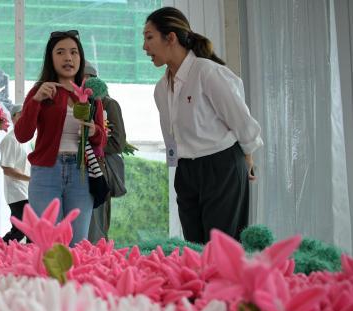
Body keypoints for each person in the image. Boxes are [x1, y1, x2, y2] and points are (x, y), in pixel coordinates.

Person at [143, 7, 262, 244]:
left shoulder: (207, 72)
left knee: (221, 248)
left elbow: (240, 119)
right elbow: (171, 135)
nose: (144, 47)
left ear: (171, 37)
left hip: (221, 166)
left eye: (149, 37)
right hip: (186, 171)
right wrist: (177, 167)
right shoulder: (161, 89)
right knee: (194, 248)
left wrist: (247, 156)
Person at [15, 30, 107, 246]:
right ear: (51, 58)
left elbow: (102, 141)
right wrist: (36, 101)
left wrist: (94, 131)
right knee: (47, 244)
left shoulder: (90, 94)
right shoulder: (40, 91)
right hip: (46, 173)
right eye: (61, 52)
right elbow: (22, 135)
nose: (68, 58)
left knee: (77, 244)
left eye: (74, 52)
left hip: (81, 172)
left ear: (81, 58)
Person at [83, 63, 127, 243]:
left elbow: (118, 143)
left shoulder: (109, 104)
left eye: (85, 78)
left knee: (96, 227)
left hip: (98, 172)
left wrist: (93, 144)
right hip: (76, 173)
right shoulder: (75, 104)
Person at [0, 104, 31, 242]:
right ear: (13, 118)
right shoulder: (10, 140)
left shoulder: (25, 140)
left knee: (22, 231)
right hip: (16, 193)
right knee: (25, 230)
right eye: (20, 113)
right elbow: (7, 169)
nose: (24, 116)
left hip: (26, 191)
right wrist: (31, 179)